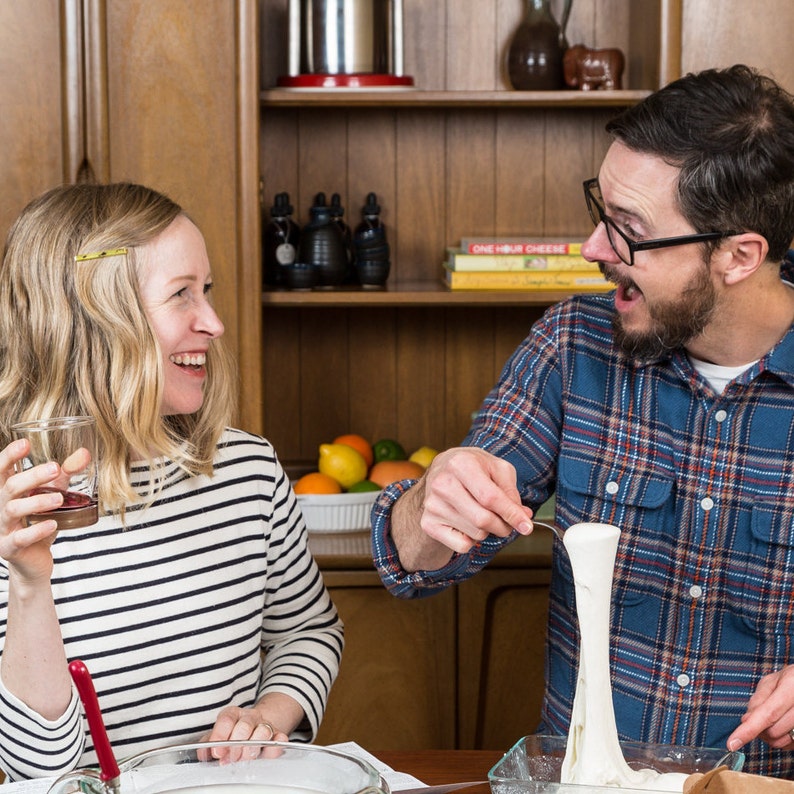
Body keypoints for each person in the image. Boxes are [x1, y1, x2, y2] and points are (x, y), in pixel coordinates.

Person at [371, 64, 794, 779]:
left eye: (629, 231)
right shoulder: (573, 346)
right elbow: (409, 562)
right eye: (602, 211)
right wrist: (430, 501)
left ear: (739, 256)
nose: (594, 249)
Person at [0, 183, 344, 781]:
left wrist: (272, 711)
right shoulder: (12, 507)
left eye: (205, 291)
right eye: (181, 294)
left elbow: (309, 630)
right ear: (93, 322)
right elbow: (38, 770)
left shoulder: (249, 471)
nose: (212, 322)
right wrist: (31, 586)